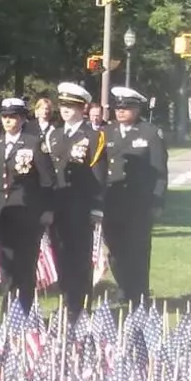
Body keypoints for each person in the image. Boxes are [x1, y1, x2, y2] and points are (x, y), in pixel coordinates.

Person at [0, 97, 56, 313]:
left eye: (13, 117)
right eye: (5, 117)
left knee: (25, 266)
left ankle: (25, 311)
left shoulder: (34, 143)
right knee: (6, 265)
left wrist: (45, 212)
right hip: (2, 214)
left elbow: (47, 180)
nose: (8, 121)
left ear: (22, 118)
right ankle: (8, 311)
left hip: (28, 215)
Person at [102, 86, 168, 305]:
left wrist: (158, 200)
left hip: (139, 203)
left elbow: (159, 170)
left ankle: (139, 293)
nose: (120, 112)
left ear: (137, 109)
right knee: (114, 249)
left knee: (137, 249)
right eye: (117, 108)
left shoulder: (149, 133)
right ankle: (123, 287)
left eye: (126, 108)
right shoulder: (107, 132)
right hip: (112, 201)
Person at [47, 82, 108, 318]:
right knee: (60, 255)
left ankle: (81, 305)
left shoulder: (93, 137)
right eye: (62, 105)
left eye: (71, 106)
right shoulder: (55, 135)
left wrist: (97, 208)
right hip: (57, 206)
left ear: (83, 108)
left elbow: (99, 176)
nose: (65, 110)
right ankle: (66, 300)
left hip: (80, 207)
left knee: (80, 257)